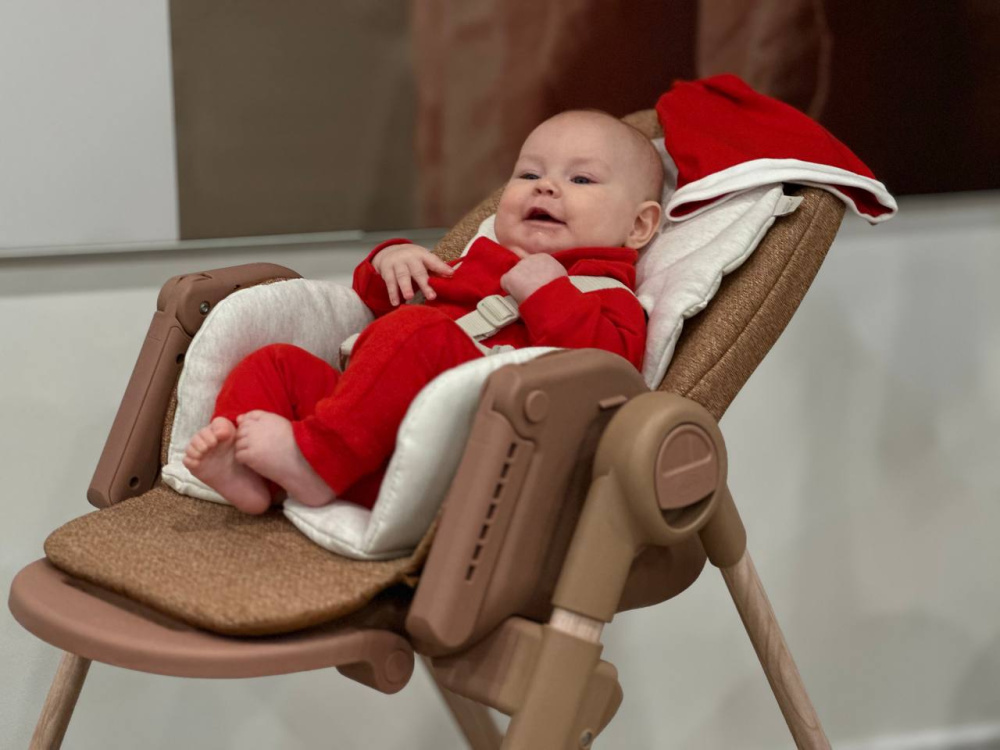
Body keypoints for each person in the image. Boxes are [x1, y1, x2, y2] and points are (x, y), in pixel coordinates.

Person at [183, 110, 664, 514]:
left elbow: (611, 373)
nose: (546, 188)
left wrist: (548, 294)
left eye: (581, 179)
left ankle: (315, 462)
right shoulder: (475, 261)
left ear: (639, 225)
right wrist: (390, 261)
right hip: (367, 431)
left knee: (420, 331)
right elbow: (376, 304)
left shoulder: (607, 293)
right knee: (276, 363)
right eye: (529, 175)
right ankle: (254, 475)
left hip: (459, 453)